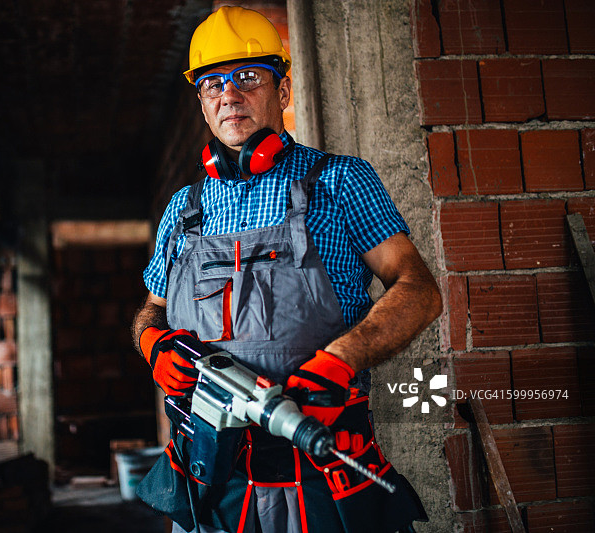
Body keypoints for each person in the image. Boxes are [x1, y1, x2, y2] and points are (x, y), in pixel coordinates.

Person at [131, 6, 442, 533]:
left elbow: (419, 291)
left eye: (248, 78)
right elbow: (150, 312)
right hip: (212, 483)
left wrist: (344, 358)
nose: (229, 94)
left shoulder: (341, 181)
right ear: (204, 107)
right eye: (212, 85)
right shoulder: (183, 210)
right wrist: (152, 347)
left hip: (324, 475)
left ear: (284, 92)